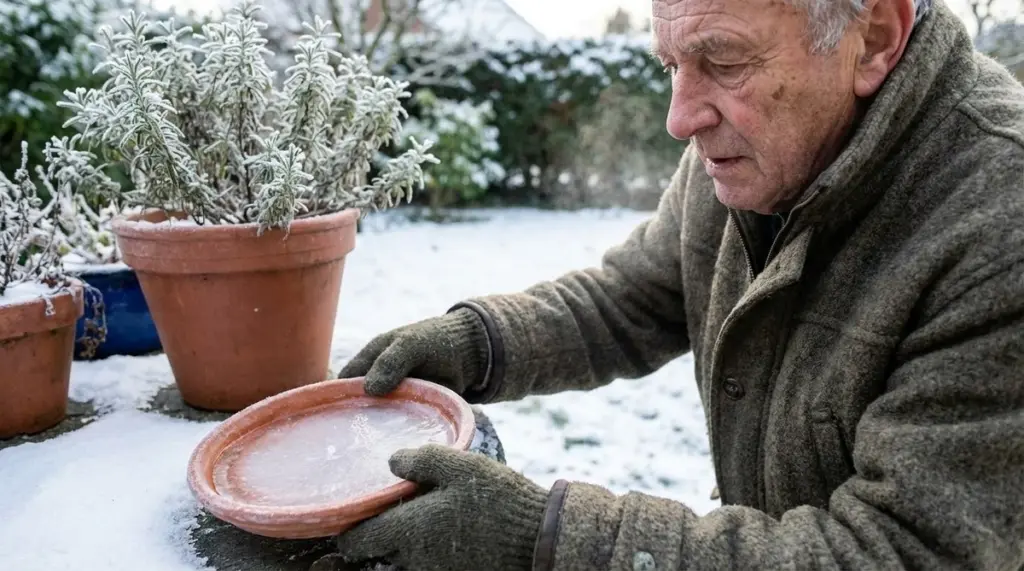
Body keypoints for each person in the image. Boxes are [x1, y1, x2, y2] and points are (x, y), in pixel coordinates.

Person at [331, 0, 1024, 569]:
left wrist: (539, 536)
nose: (679, 117)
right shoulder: (755, 149)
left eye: (723, 60)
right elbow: (631, 297)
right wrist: (477, 342)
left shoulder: (998, 220)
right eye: (672, 64)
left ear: (872, 37)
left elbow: (901, 552)